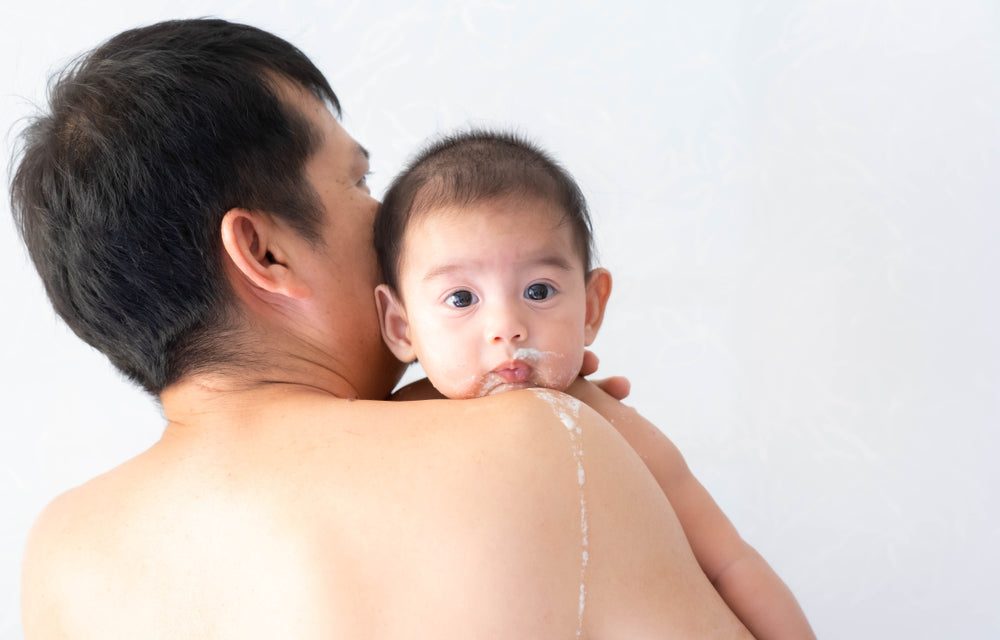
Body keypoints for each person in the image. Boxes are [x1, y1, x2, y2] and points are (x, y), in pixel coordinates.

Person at [11, 18, 769, 639]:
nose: (392, 222)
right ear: (265, 252)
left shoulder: (63, 554)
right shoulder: (540, 442)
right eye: (359, 182)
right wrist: (587, 444)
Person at [373, 131, 817, 639]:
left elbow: (729, 562)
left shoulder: (610, 427)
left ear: (590, 308)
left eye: (538, 290)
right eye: (461, 299)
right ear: (402, 327)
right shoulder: (391, 426)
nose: (507, 326)